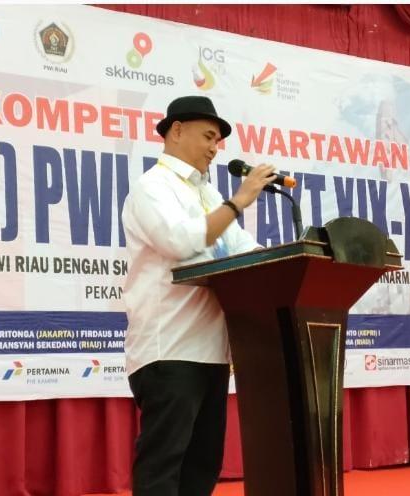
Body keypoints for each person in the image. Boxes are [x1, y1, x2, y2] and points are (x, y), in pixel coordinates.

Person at [121, 95, 276, 496]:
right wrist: (239, 202)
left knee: (202, 467)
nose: (214, 148)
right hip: (169, 348)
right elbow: (179, 242)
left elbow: (241, 248)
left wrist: (287, 258)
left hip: (212, 352)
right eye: (208, 136)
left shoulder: (207, 195)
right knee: (163, 467)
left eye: (217, 141)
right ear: (176, 131)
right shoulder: (152, 186)